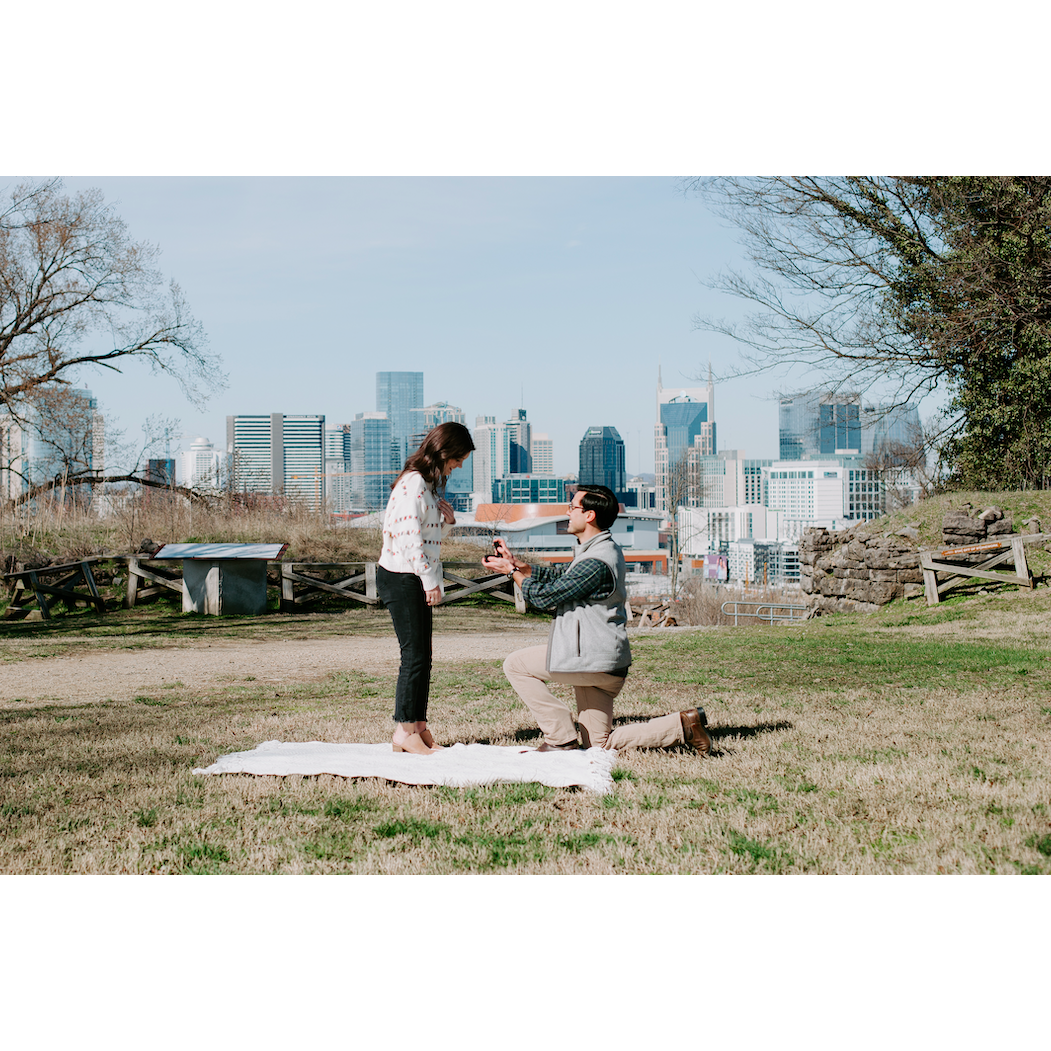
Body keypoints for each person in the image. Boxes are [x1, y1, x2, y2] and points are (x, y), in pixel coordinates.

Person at [483, 484, 712, 754]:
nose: (568, 513)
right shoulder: (596, 550)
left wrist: (512, 573)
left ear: (589, 515)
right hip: (601, 662)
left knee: (516, 665)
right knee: (598, 745)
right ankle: (685, 725)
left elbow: (544, 597)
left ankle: (559, 737)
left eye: (572, 508)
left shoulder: (597, 561)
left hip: (592, 660)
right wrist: (522, 566)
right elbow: (564, 579)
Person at [376, 421, 475, 755]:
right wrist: (430, 581)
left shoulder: (426, 485)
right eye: (458, 459)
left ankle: (417, 725)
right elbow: (408, 540)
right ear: (445, 451)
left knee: (423, 656)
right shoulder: (415, 483)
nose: (459, 466)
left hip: (411, 574)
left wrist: (446, 523)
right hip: (403, 576)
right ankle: (404, 732)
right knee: (414, 656)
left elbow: (425, 539)